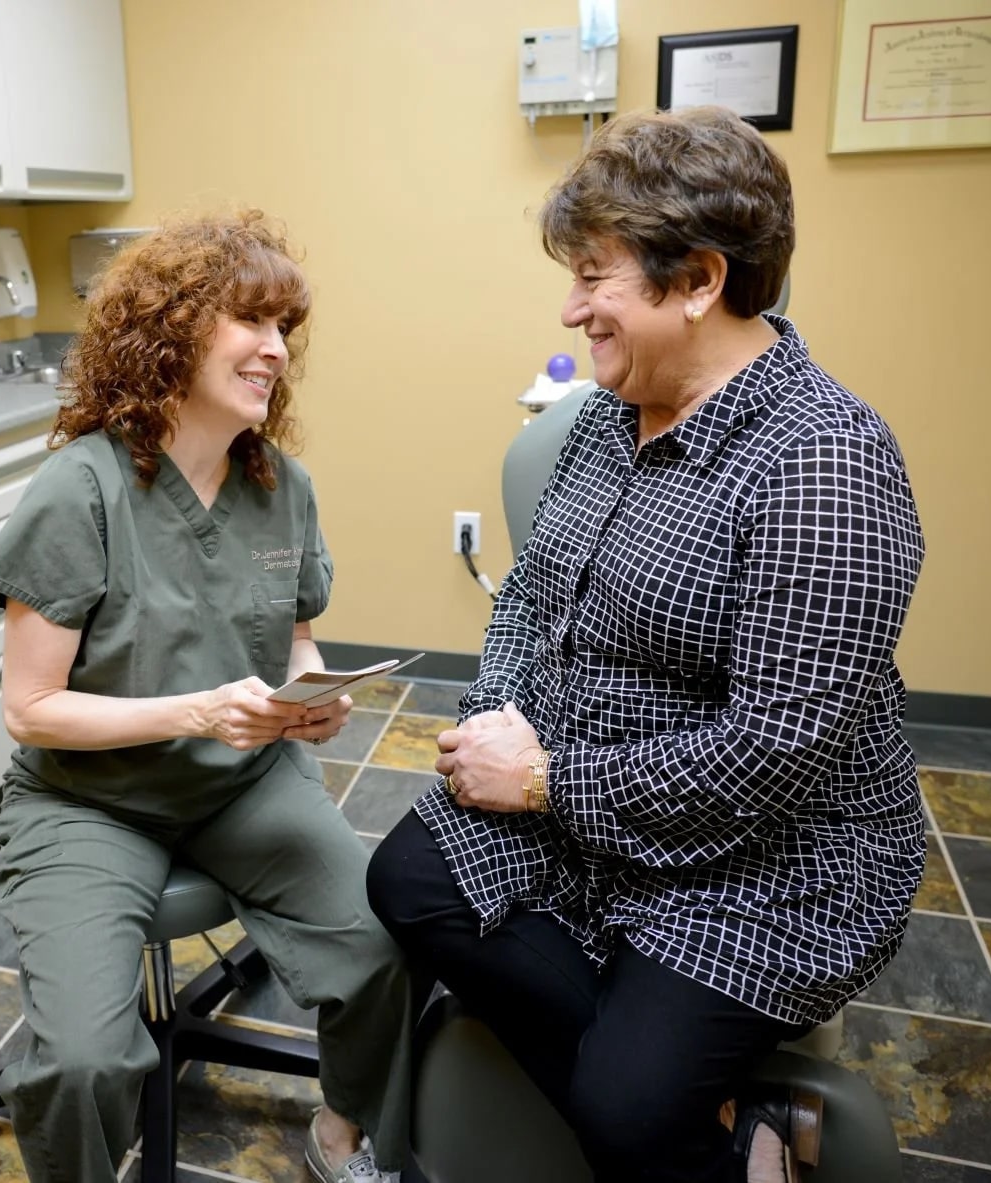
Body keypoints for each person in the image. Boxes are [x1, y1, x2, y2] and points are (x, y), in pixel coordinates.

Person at [367, 106, 926, 1183]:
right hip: (584, 800)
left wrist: (540, 784)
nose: (570, 308)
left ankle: (721, 1132)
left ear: (699, 280)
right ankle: (700, 1093)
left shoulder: (824, 466)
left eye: (593, 276)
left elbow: (769, 751)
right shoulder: (601, 421)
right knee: (408, 877)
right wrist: (495, 712)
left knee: (623, 1114)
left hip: (764, 861)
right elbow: (527, 590)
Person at [0, 210, 412, 1183]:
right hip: (87, 798)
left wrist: (311, 697)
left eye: (282, 331)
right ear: (169, 330)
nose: (273, 351)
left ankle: (343, 1133)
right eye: (250, 322)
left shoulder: (279, 486)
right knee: (83, 1062)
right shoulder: (79, 491)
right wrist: (197, 713)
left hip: (243, 782)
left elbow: (294, 635)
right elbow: (30, 709)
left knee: (378, 952)